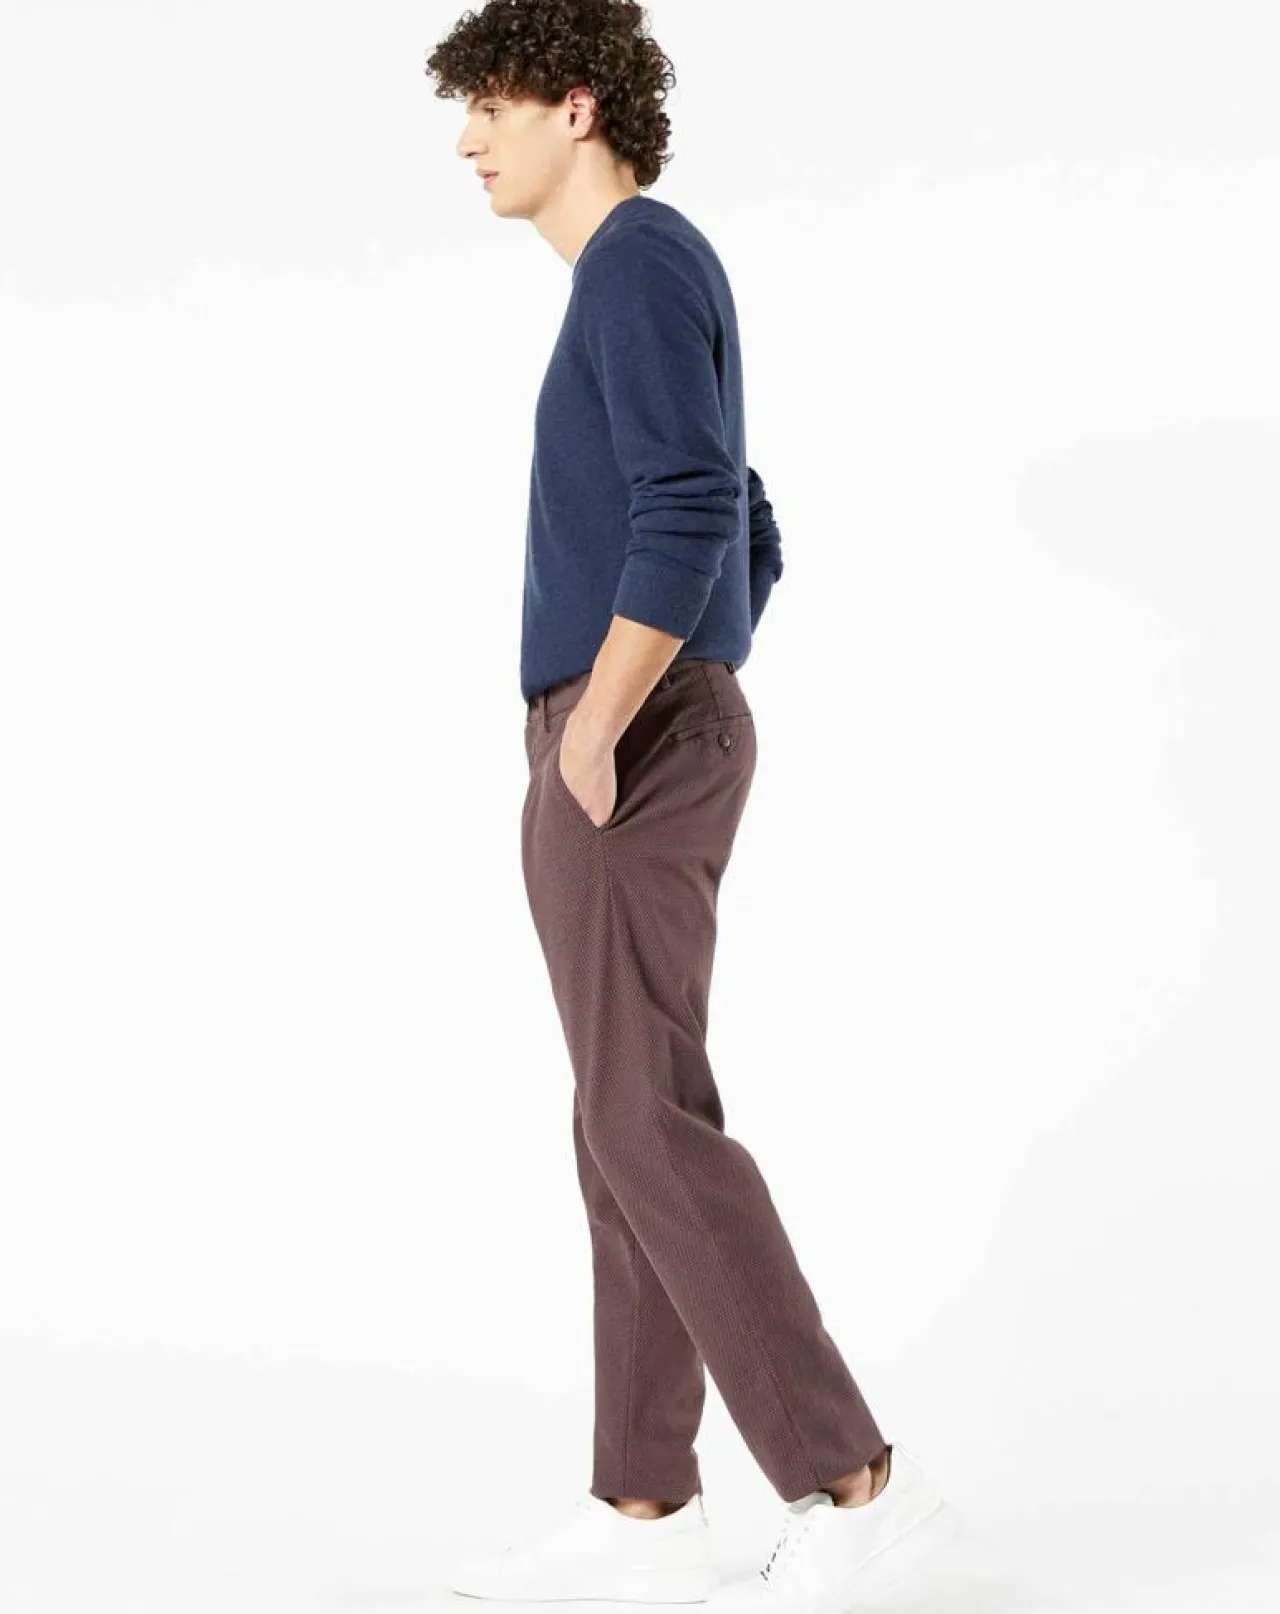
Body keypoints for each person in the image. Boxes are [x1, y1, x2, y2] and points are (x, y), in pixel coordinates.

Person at [425, 3, 961, 1607]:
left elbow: (693, 506)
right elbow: (746, 514)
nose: (469, 140)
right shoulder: (642, 275)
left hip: (626, 734)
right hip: (647, 720)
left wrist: (608, 720)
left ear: (578, 107)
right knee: (623, 1119)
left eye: (493, 106)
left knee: (641, 1121)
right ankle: (647, 1506)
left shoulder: (638, 265)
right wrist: (688, 678)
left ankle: (856, 1483)